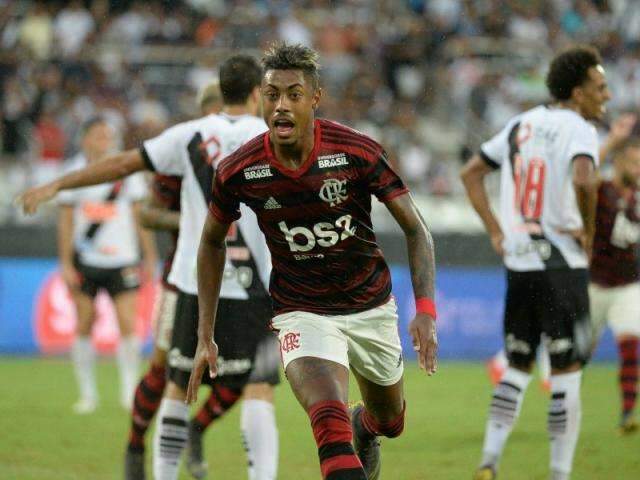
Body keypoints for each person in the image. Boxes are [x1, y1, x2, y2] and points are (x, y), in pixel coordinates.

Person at [18, 56, 279, 480]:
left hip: (193, 283)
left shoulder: (188, 135)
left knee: (177, 384)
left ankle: (161, 473)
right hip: (255, 287)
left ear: (221, 92)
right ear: (257, 93)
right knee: (258, 387)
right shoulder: (271, 137)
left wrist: (59, 184)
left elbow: (123, 164)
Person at [186, 42, 438, 480]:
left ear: (315, 98)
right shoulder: (238, 170)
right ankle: (347, 428)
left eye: (294, 94)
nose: (281, 106)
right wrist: (205, 333)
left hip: (370, 308)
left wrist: (426, 311)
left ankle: (368, 426)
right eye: (272, 94)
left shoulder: (356, 151)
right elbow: (210, 243)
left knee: (390, 422)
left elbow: (417, 229)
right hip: (302, 313)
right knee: (327, 421)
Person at [461, 46, 610, 480]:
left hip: (521, 264)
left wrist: (495, 228)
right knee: (566, 373)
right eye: (600, 88)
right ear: (578, 92)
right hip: (562, 264)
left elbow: (471, 173)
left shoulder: (520, 123)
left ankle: (489, 461)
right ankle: (559, 473)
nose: (607, 95)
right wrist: (589, 229)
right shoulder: (579, 128)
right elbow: (585, 178)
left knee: (517, 365)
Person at [56, 117, 157, 414]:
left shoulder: (126, 170)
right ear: (84, 138)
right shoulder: (73, 171)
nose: (104, 141)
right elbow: (64, 220)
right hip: (86, 259)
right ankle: (87, 395)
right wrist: (64, 262)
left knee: (128, 324)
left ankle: (128, 392)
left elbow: (141, 217)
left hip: (123, 260)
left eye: (107, 136)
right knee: (84, 322)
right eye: (98, 135)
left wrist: (149, 256)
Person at [589, 136, 640, 434]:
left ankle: (627, 413)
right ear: (618, 162)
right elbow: (581, 178)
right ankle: (565, 406)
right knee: (578, 354)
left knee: (631, 343)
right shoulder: (602, 190)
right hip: (595, 284)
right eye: (633, 162)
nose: (637, 168)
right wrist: (609, 144)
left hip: (629, 285)